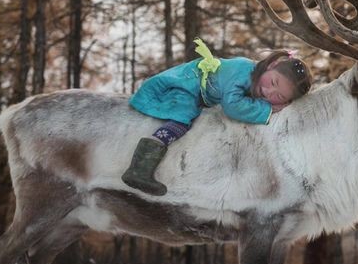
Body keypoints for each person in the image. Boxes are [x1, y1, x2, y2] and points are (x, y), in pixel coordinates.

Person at [122, 38, 313, 196]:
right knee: (183, 117)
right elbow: (233, 106)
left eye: (278, 96)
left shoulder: (257, 79)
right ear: (272, 65)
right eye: (273, 82)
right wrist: (268, 109)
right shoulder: (243, 70)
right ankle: (139, 168)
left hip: (198, 90)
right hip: (188, 83)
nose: (269, 91)